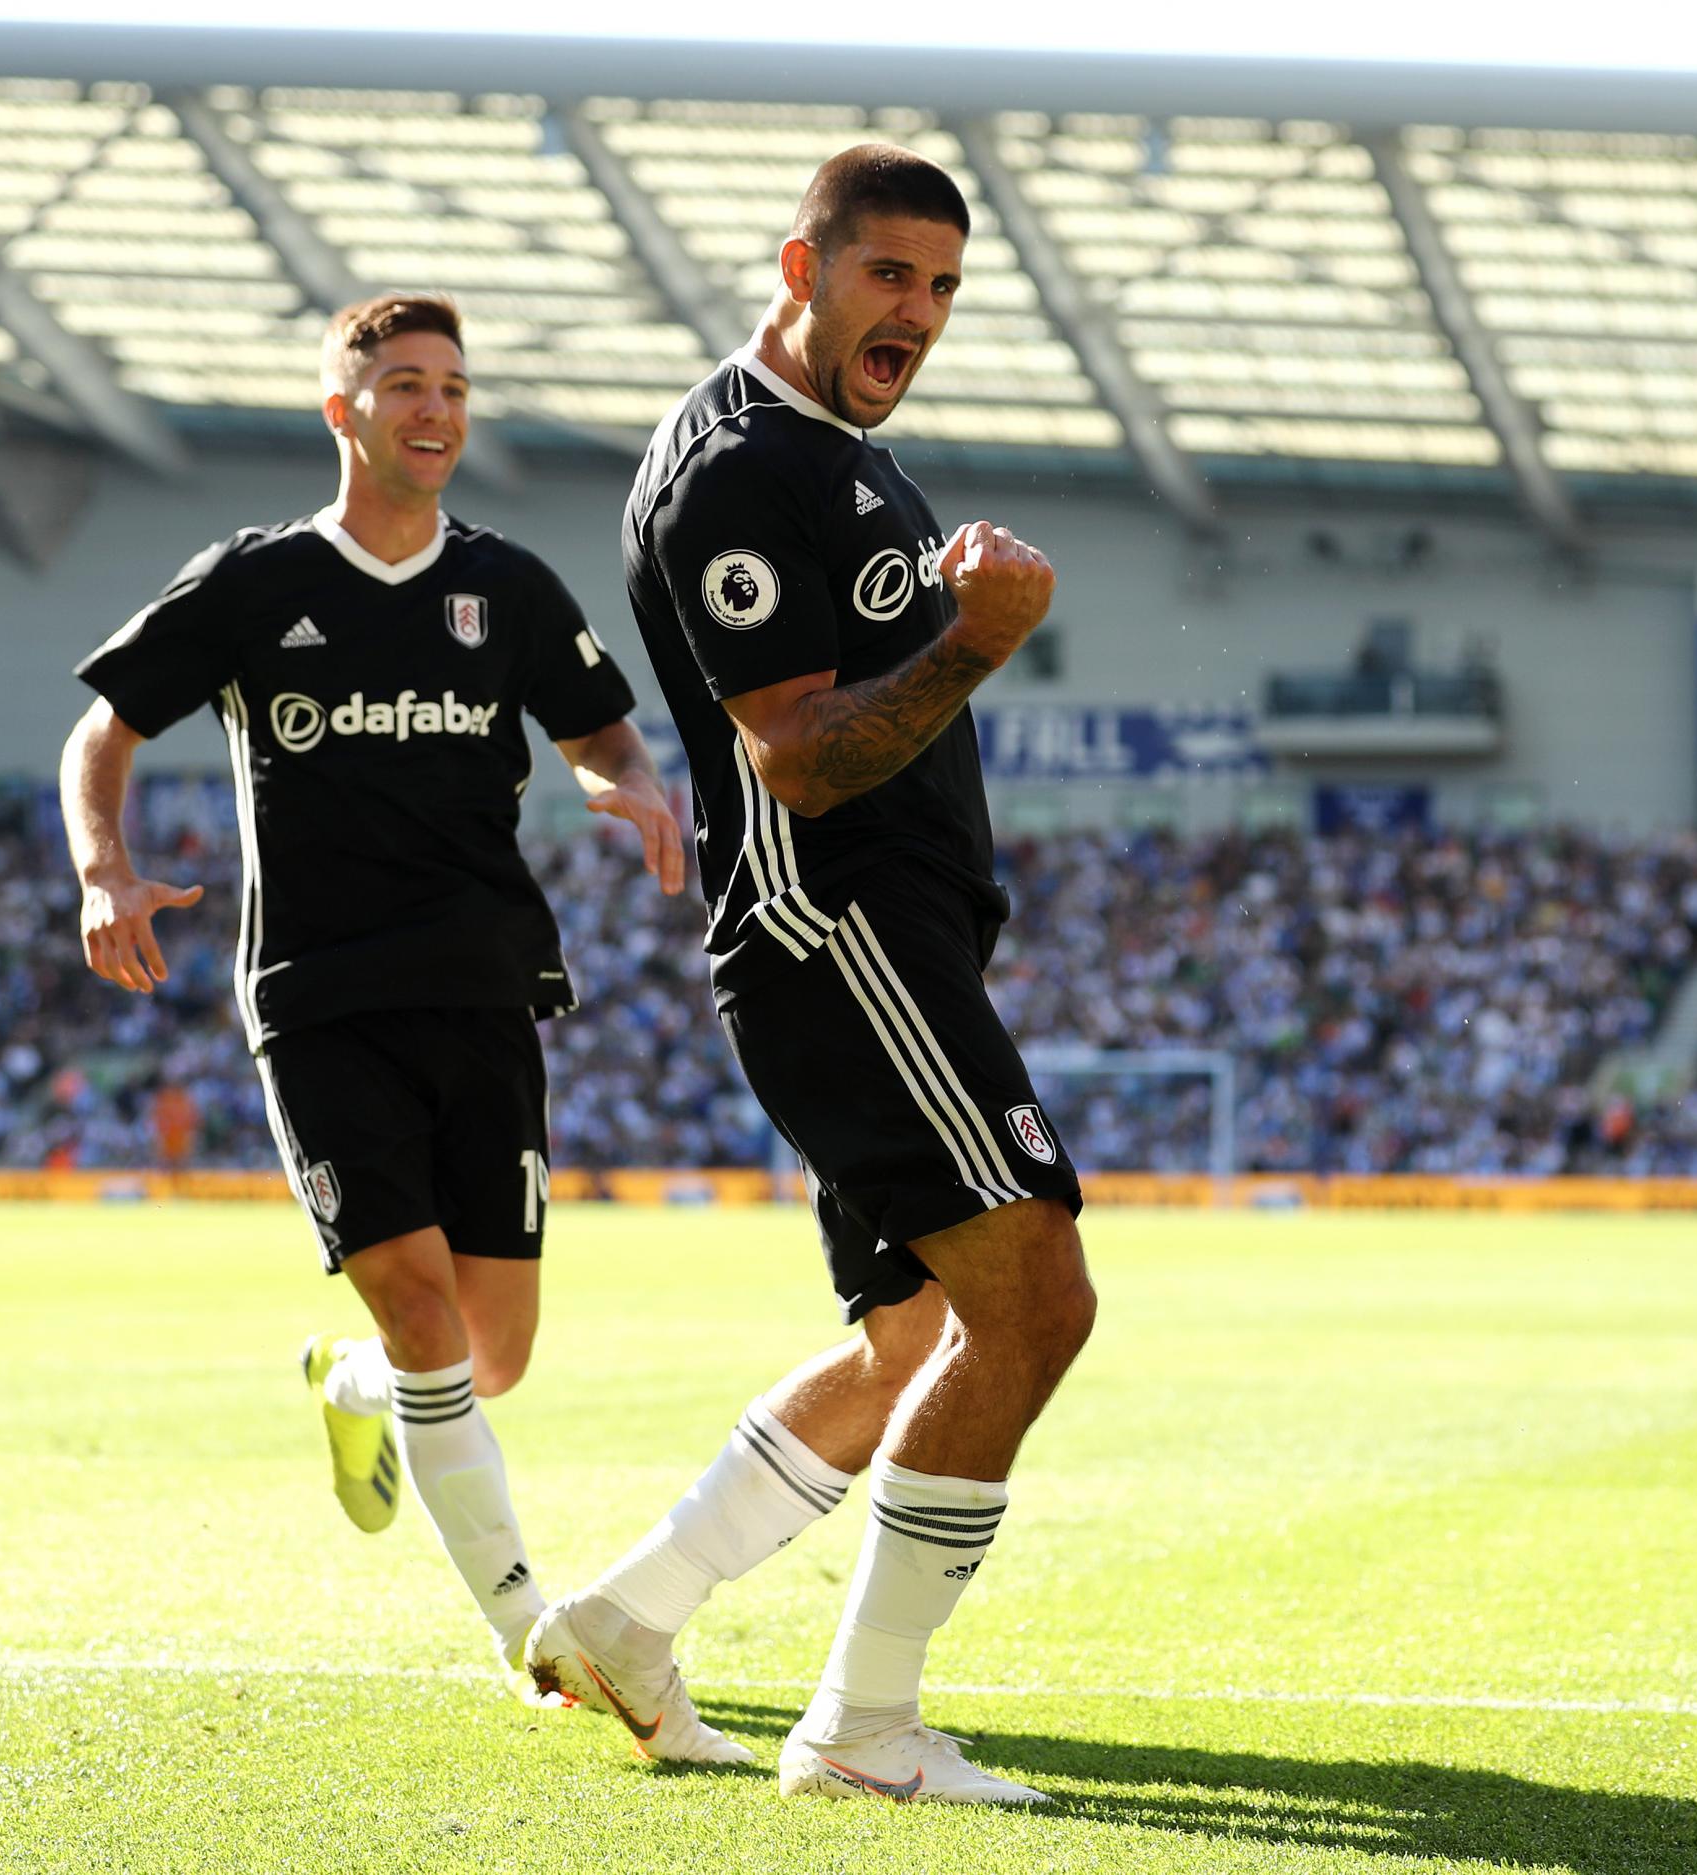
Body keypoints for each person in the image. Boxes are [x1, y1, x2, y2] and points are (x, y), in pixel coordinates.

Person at [523, 145, 1096, 1805]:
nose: (914, 314)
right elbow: (796, 761)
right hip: (834, 929)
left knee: (914, 1337)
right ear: (803, 264)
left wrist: (948, 615)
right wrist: (978, 639)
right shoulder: (734, 466)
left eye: (940, 289)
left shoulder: (841, 456)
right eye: (887, 276)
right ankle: (864, 1729)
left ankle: (628, 1620)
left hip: (874, 937)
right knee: (1036, 1302)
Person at [59, 292, 685, 1694]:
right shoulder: (255, 580)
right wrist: (103, 870)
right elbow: (102, 729)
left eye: (455, 387)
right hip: (319, 994)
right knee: (425, 1316)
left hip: (485, 988)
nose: (437, 409)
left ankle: (355, 1387)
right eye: (405, 383)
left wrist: (631, 789)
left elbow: (602, 731)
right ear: (341, 409)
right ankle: (533, 1627)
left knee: (490, 1350)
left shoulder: (510, 586)